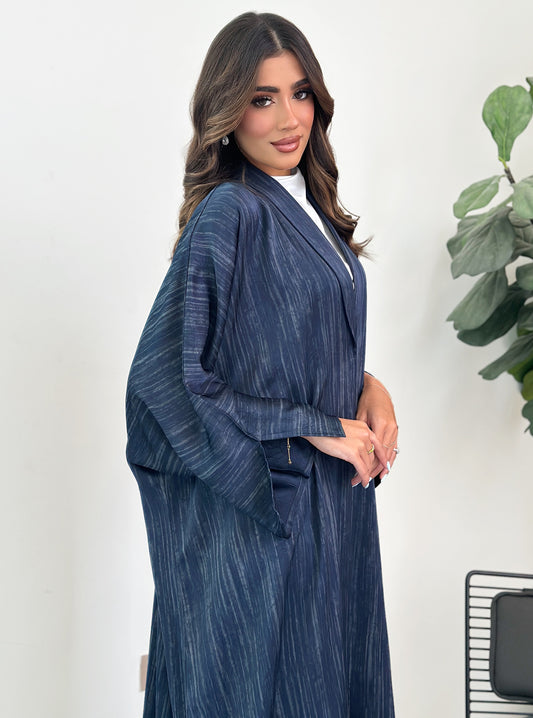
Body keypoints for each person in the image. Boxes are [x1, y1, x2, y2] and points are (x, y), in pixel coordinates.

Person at [126, 11, 398, 718]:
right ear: (227, 111)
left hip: (332, 506)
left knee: (328, 679)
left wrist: (369, 387)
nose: (287, 118)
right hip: (265, 517)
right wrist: (313, 425)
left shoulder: (314, 209)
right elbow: (166, 381)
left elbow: (296, 341)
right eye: (261, 98)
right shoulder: (232, 211)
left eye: (300, 93)